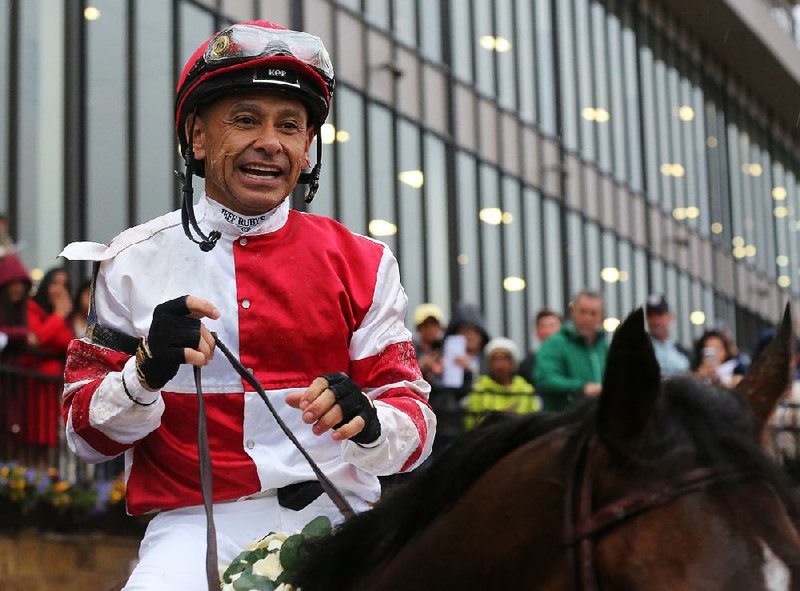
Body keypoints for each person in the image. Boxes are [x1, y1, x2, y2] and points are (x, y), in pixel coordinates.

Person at [59, 20, 434, 590]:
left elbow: (415, 428)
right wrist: (144, 373)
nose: (271, 141)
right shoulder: (129, 261)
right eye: (245, 119)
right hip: (192, 527)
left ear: (307, 148)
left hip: (336, 519)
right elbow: (84, 438)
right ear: (198, 137)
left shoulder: (366, 262)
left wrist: (369, 421)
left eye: (290, 126)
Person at [535, 290, 608, 412]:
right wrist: (582, 388)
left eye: (593, 313)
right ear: (573, 311)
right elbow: (545, 379)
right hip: (563, 423)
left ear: (601, 317)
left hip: (597, 421)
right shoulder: (555, 343)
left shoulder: (603, 346)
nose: (587, 318)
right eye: (583, 311)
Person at [463, 337, 540, 431]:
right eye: (495, 359)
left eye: (505, 359)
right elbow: (470, 425)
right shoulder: (479, 389)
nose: (500, 365)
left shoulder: (526, 390)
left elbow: (535, 424)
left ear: (513, 363)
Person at [644, 293, 690, 377]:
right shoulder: (639, 348)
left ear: (670, 317)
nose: (655, 320)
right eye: (651, 316)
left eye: (660, 315)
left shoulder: (682, 351)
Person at [517, 308, 561, 387]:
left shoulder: (571, 358)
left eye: (552, 326)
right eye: (543, 326)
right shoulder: (528, 363)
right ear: (537, 331)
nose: (548, 331)